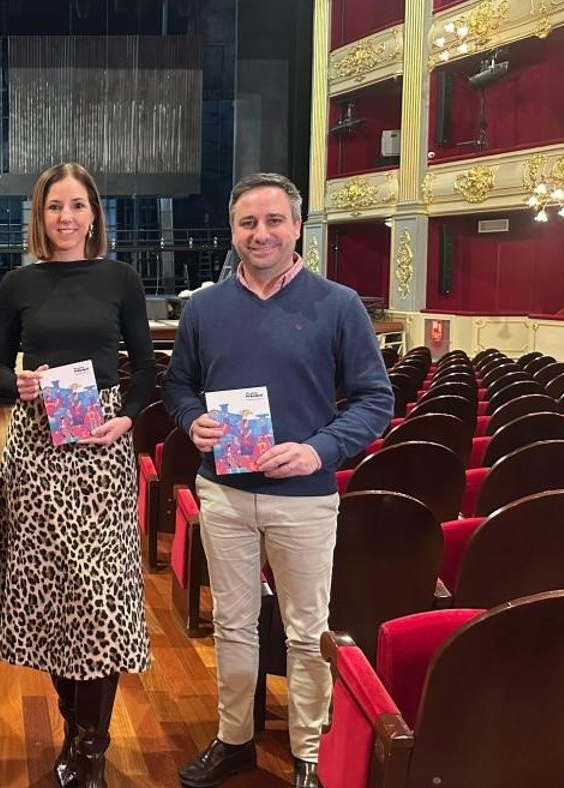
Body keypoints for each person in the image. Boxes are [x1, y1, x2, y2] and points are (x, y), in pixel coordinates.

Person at [163, 173, 393, 788]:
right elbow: (178, 385)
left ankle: (309, 750)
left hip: (305, 499)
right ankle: (234, 738)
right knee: (233, 623)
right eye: (248, 222)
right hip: (224, 493)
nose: (260, 233)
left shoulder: (339, 304)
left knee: (307, 629)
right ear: (233, 230)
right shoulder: (205, 307)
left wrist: (320, 451)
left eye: (273, 221)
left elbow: (375, 399)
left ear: (296, 227)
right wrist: (190, 420)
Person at [0, 162, 155, 788]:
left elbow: (146, 369)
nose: (66, 217)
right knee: (51, 595)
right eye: (55, 206)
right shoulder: (18, 284)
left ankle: (91, 749)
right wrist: (18, 383)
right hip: (36, 446)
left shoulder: (121, 279)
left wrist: (126, 419)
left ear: (94, 214)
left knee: (100, 598)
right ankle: (74, 731)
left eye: (78, 205)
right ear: (41, 214)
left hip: (102, 447)